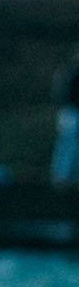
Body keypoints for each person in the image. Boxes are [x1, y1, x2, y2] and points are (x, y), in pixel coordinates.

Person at [50, 49, 79, 192]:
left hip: (68, 111)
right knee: (69, 143)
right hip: (70, 111)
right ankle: (62, 176)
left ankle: (66, 176)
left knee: (70, 144)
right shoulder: (70, 73)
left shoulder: (67, 72)